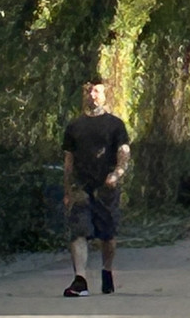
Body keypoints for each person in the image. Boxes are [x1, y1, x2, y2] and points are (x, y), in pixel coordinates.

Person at [61, 78, 130, 297]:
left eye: (97, 91)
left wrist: (116, 174)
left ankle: (107, 270)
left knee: (107, 235)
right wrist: (67, 190)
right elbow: (68, 160)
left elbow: (124, 153)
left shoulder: (115, 125)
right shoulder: (74, 126)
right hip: (80, 186)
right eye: (88, 91)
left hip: (106, 188)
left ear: (105, 95)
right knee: (78, 231)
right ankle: (80, 280)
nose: (92, 95)